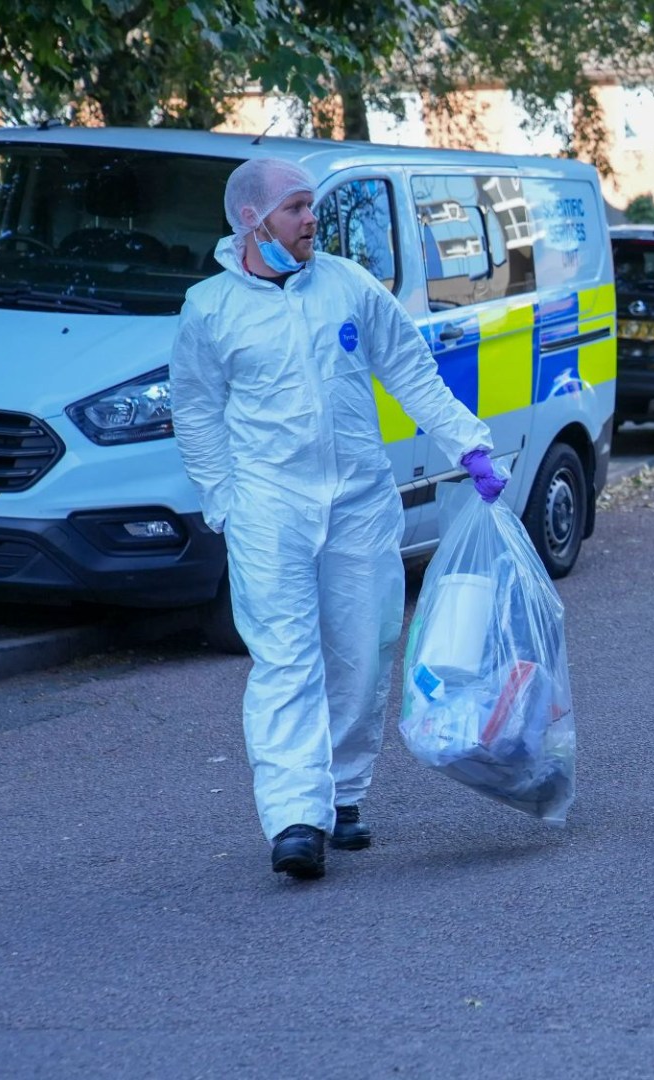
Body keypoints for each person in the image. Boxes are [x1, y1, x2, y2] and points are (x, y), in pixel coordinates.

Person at [171, 158, 507, 881]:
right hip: (270, 505)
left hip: (358, 499)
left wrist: (469, 445)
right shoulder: (209, 309)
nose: (309, 219)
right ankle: (296, 817)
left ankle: (345, 792)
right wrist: (224, 498)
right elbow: (196, 411)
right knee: (285, 659)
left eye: (310, 206)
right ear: (251, 221)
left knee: (364, 647)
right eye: (295, 208)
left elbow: (411, 370)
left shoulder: (347, 286)